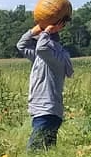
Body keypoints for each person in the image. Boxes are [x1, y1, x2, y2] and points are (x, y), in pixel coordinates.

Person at [17, 20, 73, 149]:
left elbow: (41, 47)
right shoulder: (41, 57)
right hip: (43, 110)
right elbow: (21, 46)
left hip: (47, 110)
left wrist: (47, 31)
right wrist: (32, 32)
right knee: (47, 150)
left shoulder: (56, 57)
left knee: (34, 151)